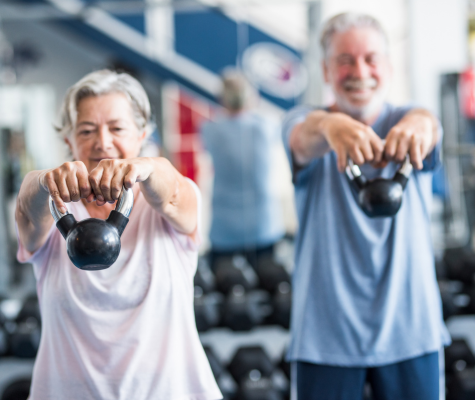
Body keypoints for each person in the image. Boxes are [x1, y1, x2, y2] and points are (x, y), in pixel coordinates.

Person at [15, 69, 222, 400]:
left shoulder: (171, 202)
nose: (103, 141)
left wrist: (146, 168)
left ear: (142, 134)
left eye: (117, 128)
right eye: (86, 130)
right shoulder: (51, 208)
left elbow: (171, 191)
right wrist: (43, 180)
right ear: (69, 141)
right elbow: (26, 207)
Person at [283, 13, 450, 400]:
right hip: (326, 336)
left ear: (388, 67)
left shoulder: (407, 123)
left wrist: (422, 121)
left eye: (371, 58)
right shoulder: (303, 122)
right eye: (345, 61)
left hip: (411, 331)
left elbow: (429, 125)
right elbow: (302, 137)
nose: (359, 71)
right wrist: (330, 127)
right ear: (326, 70)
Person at [200, 70, 285, 269]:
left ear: (222, 98)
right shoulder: (268, 127)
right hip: (263, 227)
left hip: (225, 228)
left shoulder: (210, 130)